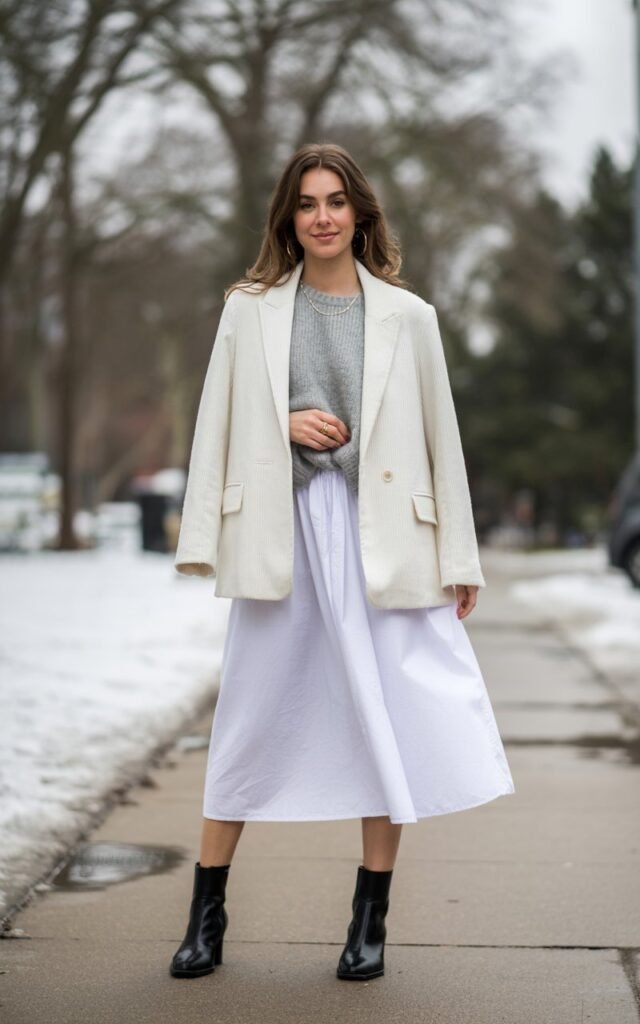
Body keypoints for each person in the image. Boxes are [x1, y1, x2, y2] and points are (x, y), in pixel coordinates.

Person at [169, 142, 515, 982]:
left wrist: (458, 557)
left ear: (361, 213)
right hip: (286, 529)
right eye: (306, 203)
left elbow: (443, 445)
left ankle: (370, 920)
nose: (322, 216)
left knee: (380, 717)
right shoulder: (247, 311)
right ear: (289, 218)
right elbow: (217, 426)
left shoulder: (411, 316)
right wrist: (280, 427)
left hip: (384, 536)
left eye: (335, 201)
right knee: (248, 719)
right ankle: (206, 914)